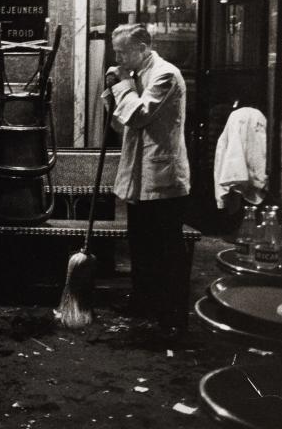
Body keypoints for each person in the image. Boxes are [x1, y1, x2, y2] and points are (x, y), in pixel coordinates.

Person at [103, 24, 191, 337]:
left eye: (123, 51)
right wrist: (113, 94)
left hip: (163, 177)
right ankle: (143, 301)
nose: (118, 57)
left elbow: (139, 115)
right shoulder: (136, 75)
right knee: (141, 243)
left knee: (166, 246)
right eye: (116, 51)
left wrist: (124, 85)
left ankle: (173, 312)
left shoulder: (166, 75)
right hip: (140, 175)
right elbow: (120, 122)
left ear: (143, 48)